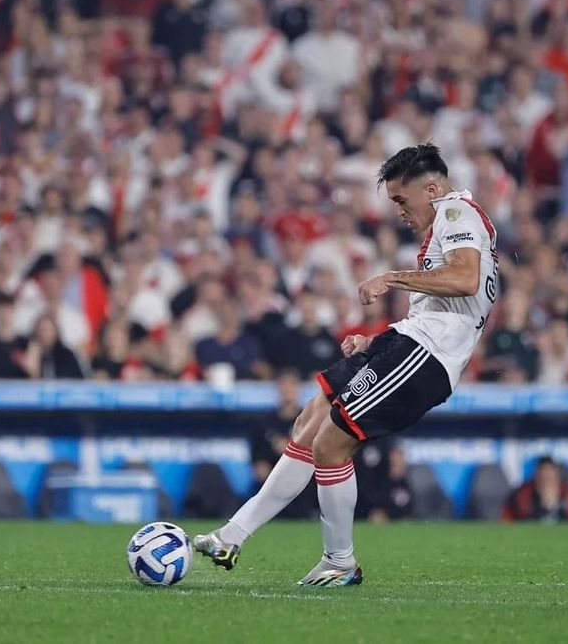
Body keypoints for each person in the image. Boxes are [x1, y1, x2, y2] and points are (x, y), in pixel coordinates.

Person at [194, 143, 499, 587]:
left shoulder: (454, 212)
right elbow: (445, 303)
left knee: (332, 444)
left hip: (427, 354)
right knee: (311, 420)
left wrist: (391, 277)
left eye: (401, 199)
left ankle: (339, 561)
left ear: (431, 189)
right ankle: (231, 535)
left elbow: (466, 278)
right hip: (409, 341)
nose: (398, 210)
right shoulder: (449, 223)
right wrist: (376, 342)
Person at [503, 456, 568, 523]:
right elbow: (523, 517)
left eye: (550, 473)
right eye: (543, 473)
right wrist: (543, 506)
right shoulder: (524, 492)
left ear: (557, 475)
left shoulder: (566, 491)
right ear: (537, 475)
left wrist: (553, 504)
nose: (547, 478)